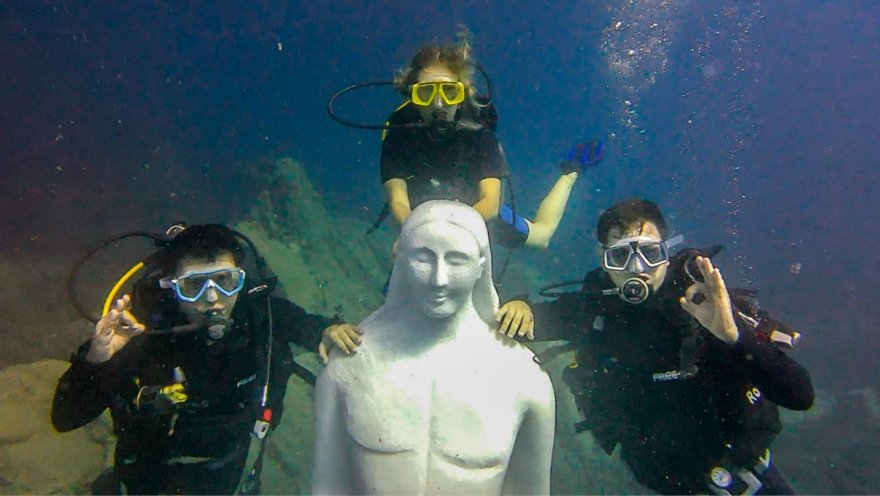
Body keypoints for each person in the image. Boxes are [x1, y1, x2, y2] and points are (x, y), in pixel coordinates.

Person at [510, 198, 814, 495]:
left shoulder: (705, 305)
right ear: (603, 260)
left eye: (649, 253)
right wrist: (520, 305)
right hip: (673, 485)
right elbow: (521, 322)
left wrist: (735, 337)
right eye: (620, 256)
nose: (637, 268)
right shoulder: (595, 311)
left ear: (666, 254)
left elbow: (800, 395)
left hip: (749, 478)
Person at [52, 224, 356, 495]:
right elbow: (65, 418)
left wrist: (329, 330)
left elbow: (312, 328)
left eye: (225, 280)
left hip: (228, 475)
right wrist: (96, 360)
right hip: (146, 477)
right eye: (194, 285)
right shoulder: (141, 332)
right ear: (172, 286)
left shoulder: (262, 315)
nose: (213, 298)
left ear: (241, 279)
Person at [312, 200, 556, 495]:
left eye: (457, 260)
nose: (438, 279)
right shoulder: (346, 368)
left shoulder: (525, 380)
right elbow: (328, 487)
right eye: (423, 258)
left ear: (481, 265)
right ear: (402, 258)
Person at [380, 31, 601, 250]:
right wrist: (414, 233)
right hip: (420, 213)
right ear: (413, 96)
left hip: (476, 209)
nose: (439, 104)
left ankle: (570, 172)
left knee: (541, 237)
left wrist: (444, 234)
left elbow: (490, 202)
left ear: (463, 94)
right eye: (426, 93)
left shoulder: (477, 133)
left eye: (449, 92)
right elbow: (398, 200)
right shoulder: (398, 134)